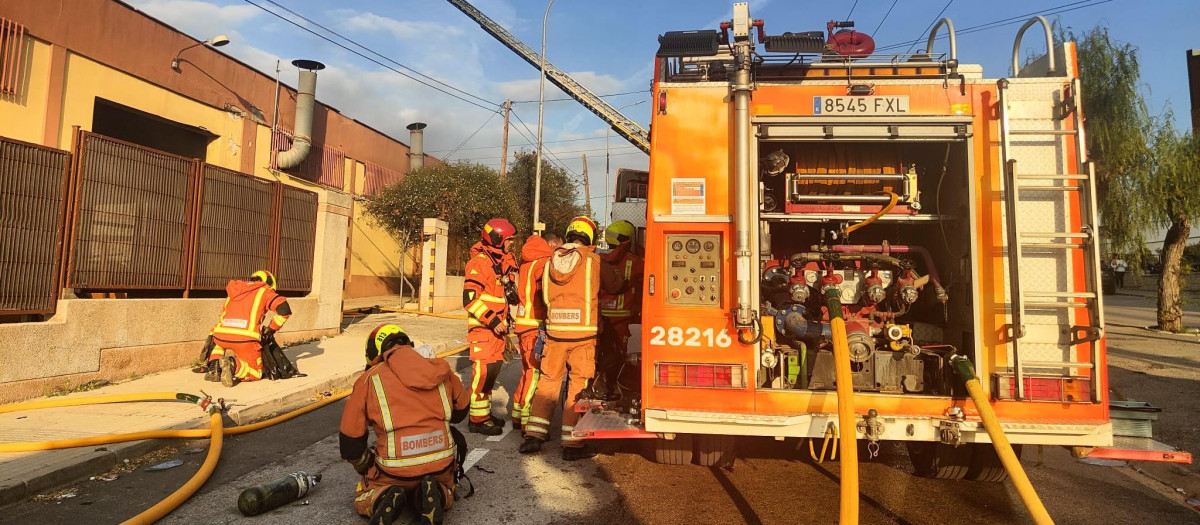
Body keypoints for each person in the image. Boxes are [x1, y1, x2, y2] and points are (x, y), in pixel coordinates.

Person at [340, 324, 468, 525]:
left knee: (363, 493)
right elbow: (461, 411)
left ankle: (382, 496)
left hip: (394, 471)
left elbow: (350, 441)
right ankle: (438, 494)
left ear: (375, 354)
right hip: (440, 465)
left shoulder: (369, 380)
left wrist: (366, 465)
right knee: (447, 487)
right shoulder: (440, 369)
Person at [520, 216, 623, 461]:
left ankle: (534, 436)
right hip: (583, 336)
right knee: (578, 386)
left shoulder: (550, 261)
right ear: (590, 237)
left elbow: (544, 294)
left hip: (555, 333)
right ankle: (572, 445)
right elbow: (616, 285)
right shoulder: (593, 260)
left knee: (548, 382)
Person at [463, 218, 519, 435]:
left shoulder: (496, 262)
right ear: (497, 239)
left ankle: (483, 415)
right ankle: (476, 421)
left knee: (491, 373)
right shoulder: (480, 263)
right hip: (484, 330)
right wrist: (494, 320)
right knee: (483, 375)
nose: (511, 244)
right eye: (509, 240)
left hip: (495, 331)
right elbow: (469, 299)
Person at [510, 232, 563, 430]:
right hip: (535, 324)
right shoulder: (542, 263)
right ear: (550, 244)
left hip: (524, 324)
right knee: (535, 373)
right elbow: (545, 293)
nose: (558, 252)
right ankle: (527, 418)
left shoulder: (526, 262)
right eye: (557, 247)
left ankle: (517, 414)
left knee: (526, 371)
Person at [204, 270, 291, 387]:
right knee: (255, 372)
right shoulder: (265, 291)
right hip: (245, 340)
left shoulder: (235, 291)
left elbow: (223, 316)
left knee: (218, 344)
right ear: (270, 283)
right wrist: (271, 328)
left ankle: (215, 369)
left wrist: (213, 333)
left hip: (221, 335)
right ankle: (232, 365)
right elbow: (284, 310)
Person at [596, 220, 644, 401]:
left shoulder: (597, 259)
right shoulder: (635, 261)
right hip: (623, 317)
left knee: (601, 353)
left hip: (599, 315)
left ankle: (600, 384)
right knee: (620, 355)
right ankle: (614, 388)